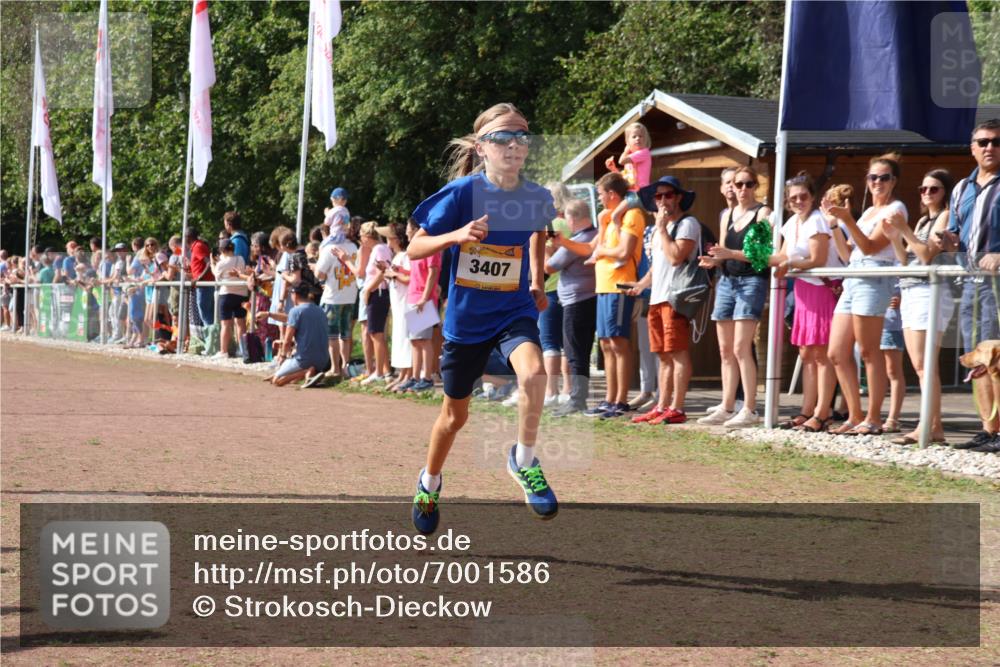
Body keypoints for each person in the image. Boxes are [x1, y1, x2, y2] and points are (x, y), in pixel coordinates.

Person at [406, 102, 558, 534]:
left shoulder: (535, 196)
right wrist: (457, 234)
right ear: (481, 147)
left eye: (522, 138)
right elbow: (414, 248)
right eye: (502, 138)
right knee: (455, 417)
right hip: (466, 322)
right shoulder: (461, 195)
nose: (514, 146)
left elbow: (538, 232)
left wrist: (536, 280)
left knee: (534, 374)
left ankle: (524, 460)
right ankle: (429, 482)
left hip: (514, 310)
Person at [823, 153, 907, 436]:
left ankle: (872, 417)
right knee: (836, 351)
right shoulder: (869, 212)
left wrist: (849, 220)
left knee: (870, 351)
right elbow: (848, 254)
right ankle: (855, 414)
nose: (878, 182)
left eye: (884, 177)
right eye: (873, 177)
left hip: (874, 276)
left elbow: (872, 248)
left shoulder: (896, 209)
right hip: (854, 276)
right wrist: (836, 224)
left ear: (894, 181)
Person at [882, 169, 956, 445]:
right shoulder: (924, 219)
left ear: (945, 192)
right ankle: (932, 425)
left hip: (931, 290)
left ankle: (929, 425)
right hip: (912, 289)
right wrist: (894, 237)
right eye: (923, 189)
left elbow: (926, 256)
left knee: (925, 364)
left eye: (933, 189)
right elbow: (906, 259)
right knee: (919, 363)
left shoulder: (945, 217)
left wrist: (904, 229)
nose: (926, 194)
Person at [943, 119, 1000, 452]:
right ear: (972, 148)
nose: (989, 147)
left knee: (998, 358)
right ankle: (988, 428)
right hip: (969, 283)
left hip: (997, 285)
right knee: (978, 359)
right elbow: (956, 234)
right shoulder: (961, 188)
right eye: (983, 142)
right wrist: (948, 242)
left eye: (995, 142)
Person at [768, 172, 840, 433]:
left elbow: (817, 259)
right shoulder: (792, 223)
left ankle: (822, 412)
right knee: (807, 353)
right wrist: (738, 255)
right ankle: (807, 410)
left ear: (812, 197)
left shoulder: (818, 221)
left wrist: (789, 264)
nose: (799, 201)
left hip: (821, 289)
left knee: (821, 354)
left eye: (803, 196)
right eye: (794, 198)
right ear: (788, 202)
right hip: (803, 290)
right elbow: (781, 256)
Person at [700, 165, 772, 427]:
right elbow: (722, 251)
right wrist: (713, 261)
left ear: (755, 186)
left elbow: (762, 255)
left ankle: (750, 408)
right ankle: (727, 405)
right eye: (737, 184)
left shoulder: (763, 213)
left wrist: (729, 254)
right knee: (725, 349)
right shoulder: (726, 214)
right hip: (727, 281)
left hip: (751, 281)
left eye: (747, 184)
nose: (741, 189)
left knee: (742, 347)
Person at [628, 176, 700, 425]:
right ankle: (662, 405)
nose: (662, 201)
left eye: (668, 195)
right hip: (657, 298)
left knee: (677, 352)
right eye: (658, 197)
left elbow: (676, 257)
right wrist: (639, 286)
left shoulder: (687, 224)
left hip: (676, 298)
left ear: (678, 197)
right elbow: (656, 267)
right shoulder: (661, 230)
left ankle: (677, 407)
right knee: (662, 355)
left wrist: (660, 228)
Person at [585, 171, 646, 419]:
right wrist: (602, 223)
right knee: (605, 344)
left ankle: (621, 399)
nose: (599, 199)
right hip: (604, 286)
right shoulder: (611, 219)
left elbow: (623, 252)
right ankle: (609, 398)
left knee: (619, 343)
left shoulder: (632, 215)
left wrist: (602, 252)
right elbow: (597, 247)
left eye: (600, 194)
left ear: (612, 194)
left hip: (620, 285)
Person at [546, 199, 598, 416]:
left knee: (575, 351)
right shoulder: (593, 236)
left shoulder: (579, 240)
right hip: (587, 299)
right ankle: (578, 397)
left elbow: (550, 266)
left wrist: (541, 248)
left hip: (576, 302)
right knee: (580, 351)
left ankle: (577, 399)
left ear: (573, 218)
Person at [260, 281, 331, 387]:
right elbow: (290, 318)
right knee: (292, 380)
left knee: (276, 380)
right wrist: (269, 314)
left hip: (304, 360)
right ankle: (309, 373)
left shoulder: (296, 311)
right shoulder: (320, 310)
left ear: (295, 295)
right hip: (324, 360)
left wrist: (282, 358)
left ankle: (306, 371)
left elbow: (287, 340)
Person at [315, 218, 360, 381]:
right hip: (350, 295)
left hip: (332, 296)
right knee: (346, 333)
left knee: (332, 335)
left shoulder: (329, 248)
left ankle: (335, 368)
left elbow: (319, 273)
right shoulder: (354, 246)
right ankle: (345, 367)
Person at [403, 217, 441, 393]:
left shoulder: (430, 247)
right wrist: (396, 270)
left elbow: (433, 273)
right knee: (415, 341)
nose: (406, 232)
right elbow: (414, 273)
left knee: (424, 340)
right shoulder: (416, 249)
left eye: (408, 228)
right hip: (413, 297)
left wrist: (425, 298)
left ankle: (427, 378)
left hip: (422, 299)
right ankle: (415, 377)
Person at [355, 221, 393, 385]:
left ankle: (379, 371)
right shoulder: (379, 248)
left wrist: (368, 290)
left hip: (378, 293)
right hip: (377, 293)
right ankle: (383, 371)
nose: (361, 240)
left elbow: (382, 272)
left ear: (366, 236)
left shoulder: (379, 249)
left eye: (361, 236)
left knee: (376, 334)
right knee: (376, 334)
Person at [380, 222, 414, 392]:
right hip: (398, 303)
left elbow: (409, 278)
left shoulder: (406, 255)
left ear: (394, 238)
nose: (386, 239)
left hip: (405, 303)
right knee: (399, 338)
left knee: (405, 339)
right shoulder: (398, 256)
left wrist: (393, 273)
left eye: (388, 236)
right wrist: (387, 271)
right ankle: (402, 375)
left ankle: (408, 375)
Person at [212, 238, 249, 358]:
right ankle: (241, 349)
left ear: (222, 250)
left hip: (227, 293)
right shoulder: (241, 259)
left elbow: (216, 277)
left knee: (225, 324)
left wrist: (213, 264)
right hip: (241, 294)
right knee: (241, 322)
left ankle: (224, 351)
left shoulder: (221, 263)